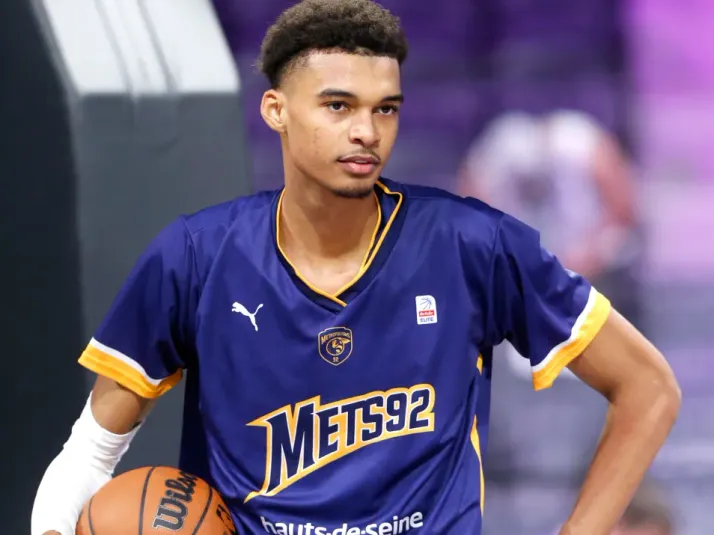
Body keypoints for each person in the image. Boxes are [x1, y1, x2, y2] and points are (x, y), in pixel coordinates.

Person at [32, 1, 680, 534]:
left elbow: (648, 389)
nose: (367, 131)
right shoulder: (194, 256)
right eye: (338, 105)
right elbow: (90, 454)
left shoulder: (474, 245)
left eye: (385, 108)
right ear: (276, 110)